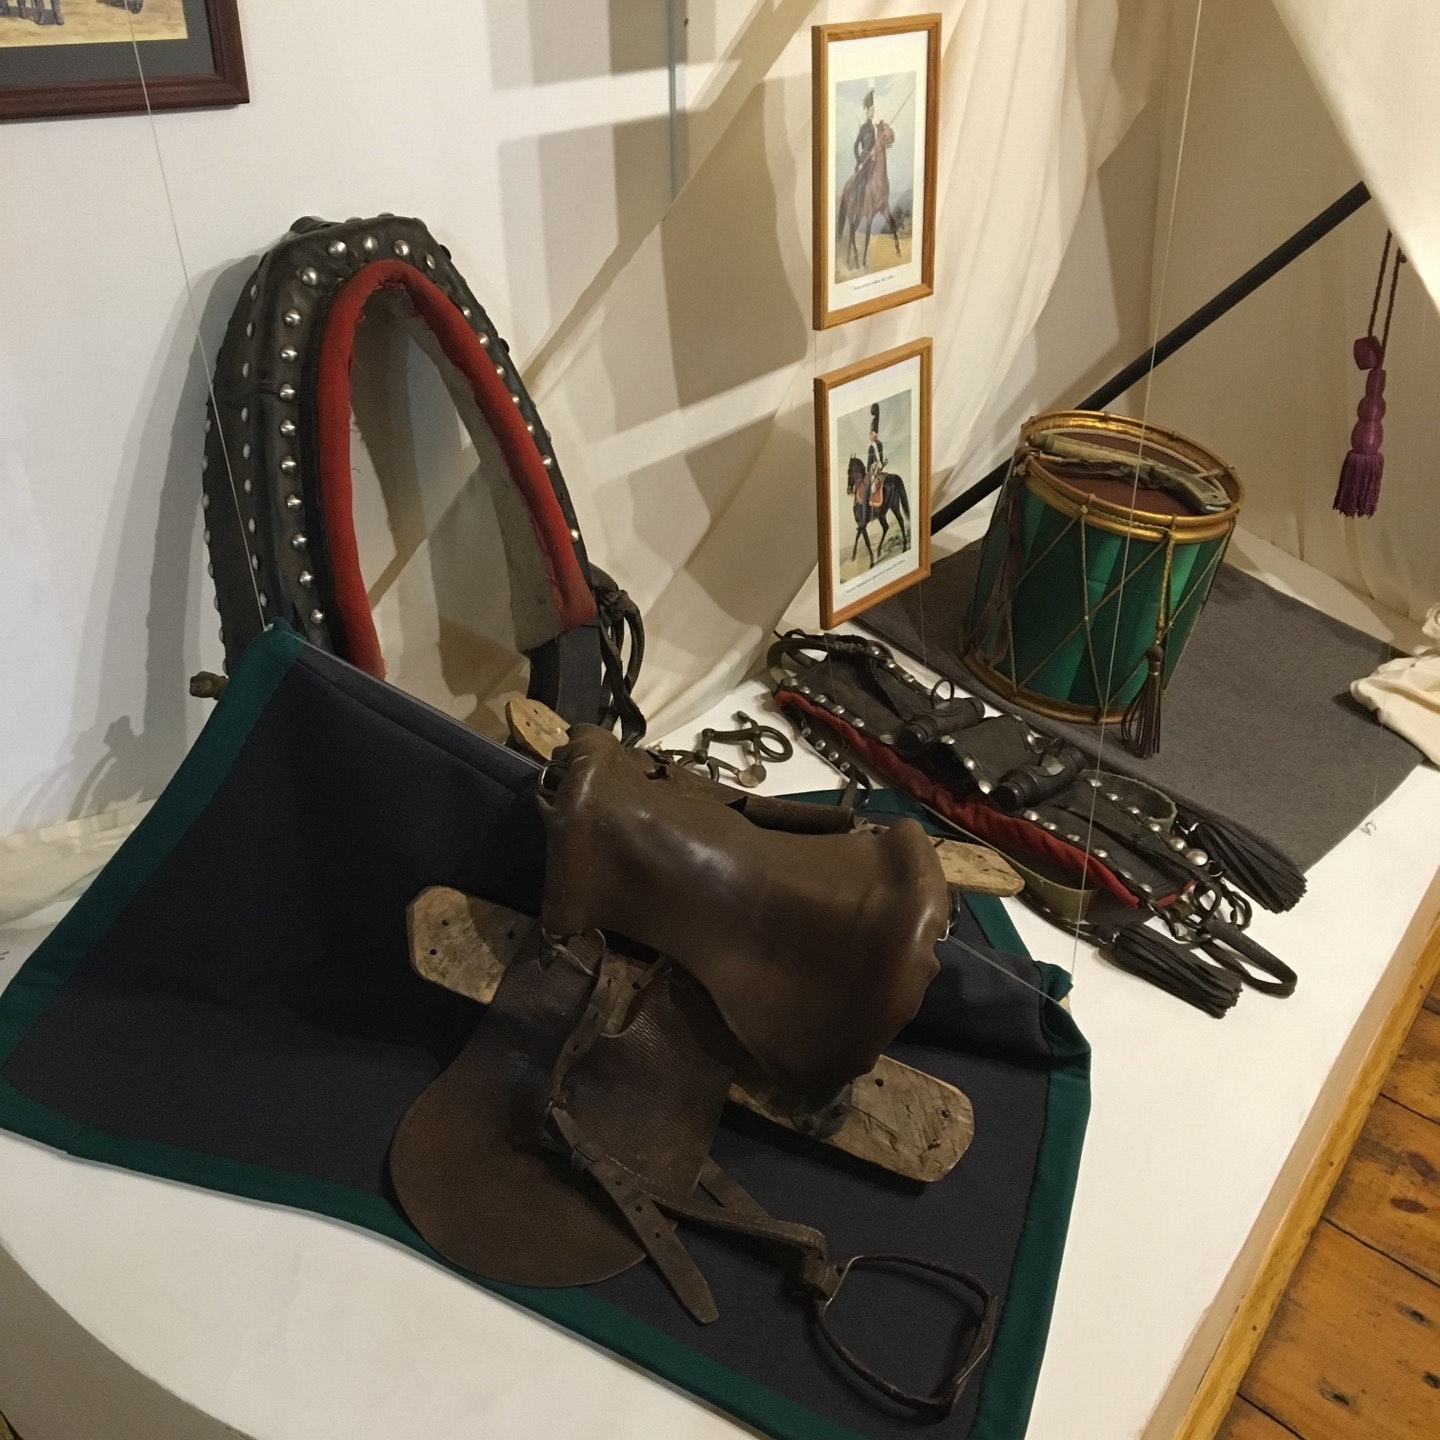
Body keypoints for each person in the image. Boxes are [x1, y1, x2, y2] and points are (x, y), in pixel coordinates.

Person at [852, 88, 877, 193]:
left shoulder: (873, 128)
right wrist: (859, 162)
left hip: (871, 160)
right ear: (866, 112)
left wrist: (874, 153)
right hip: (863, 160)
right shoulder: (863, 128)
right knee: (862, 184)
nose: (872, 113)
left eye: (873, 110)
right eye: (871, 110)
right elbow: (855, 147)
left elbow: (874, 145)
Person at [862, 403, 885, 510]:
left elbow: (873, 460)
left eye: (871, 434)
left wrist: (871, 470)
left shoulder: (876, 445)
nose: (870, 436)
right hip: (874, 470)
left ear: (874, 434)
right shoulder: (874, 446)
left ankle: (867, 512)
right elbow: (870, 461)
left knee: (867, 492)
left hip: (875, 471)